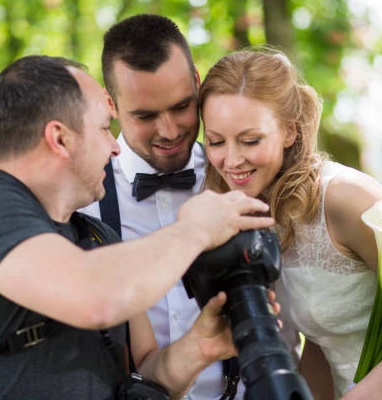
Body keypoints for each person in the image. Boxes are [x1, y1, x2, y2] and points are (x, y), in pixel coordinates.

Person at [0, 54, 277, 400]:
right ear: (59, 138)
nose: (114, 148)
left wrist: (199, 347)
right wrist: (194, 230)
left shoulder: (100, 239)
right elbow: (95, 298)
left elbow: (145, 377)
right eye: (105, 128)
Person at [198, 49, 382, 399]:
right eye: (216, 141)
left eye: (250, 140)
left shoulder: (343, 198)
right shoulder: (263, 212)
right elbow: (323, 338)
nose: (230, 160)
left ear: (290, 131)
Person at [81, 14, 299, 399]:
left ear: (198, 83)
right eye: (145, 116)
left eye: (182, 106)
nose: (169, 130)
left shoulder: (242, 174)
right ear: (111, 104)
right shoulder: (85, 208)